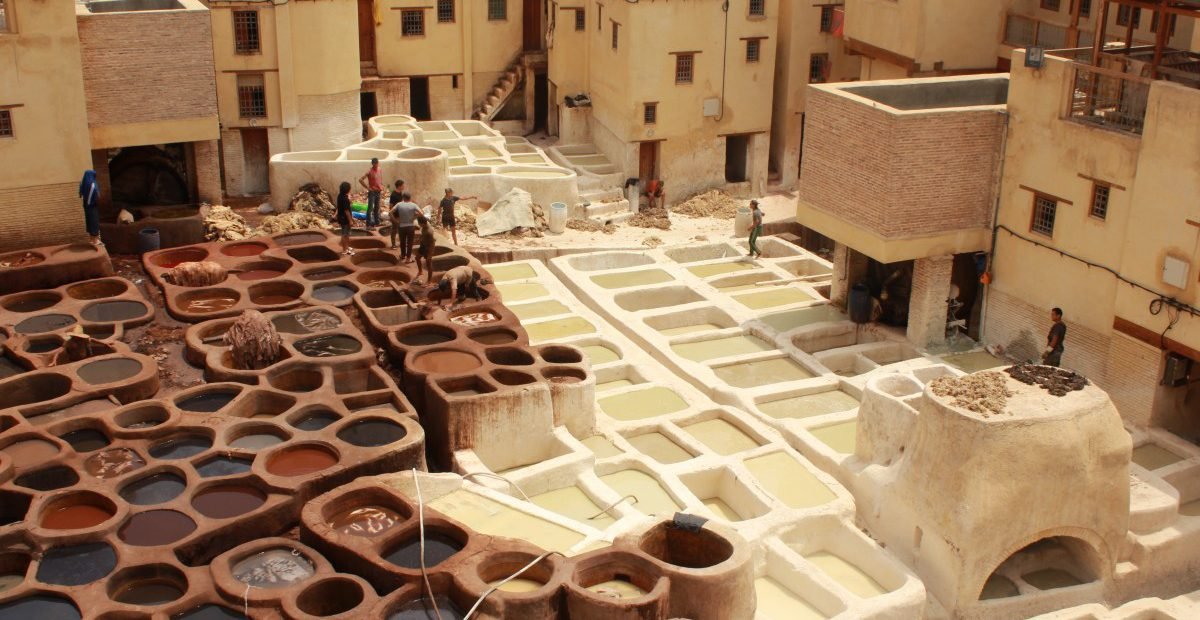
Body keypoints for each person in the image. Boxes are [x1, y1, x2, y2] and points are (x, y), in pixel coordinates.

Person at [390, 192, 420, 262]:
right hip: (410, 226)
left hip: (402, 226)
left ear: (403, 198)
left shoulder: (399, 204)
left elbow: (390, 212)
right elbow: (421, 213)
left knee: (402, 241)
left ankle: (403, 255)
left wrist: (395, 221)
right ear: (410, 198)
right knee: (410, 243)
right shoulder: (413, 205)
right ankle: (408, 258)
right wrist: (414, 218)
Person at [357, 157, 384, 229]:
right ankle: (368, 224)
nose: (376, 165)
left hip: (378, 191)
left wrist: (381, 185)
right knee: (370, 208)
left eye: (377, 163)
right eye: (375, 164)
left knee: (377, 207)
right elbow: (360, 180)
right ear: (372, 164)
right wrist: (368, 188)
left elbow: (380, 178)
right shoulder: (369, 171)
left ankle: (377, 222)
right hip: (372, 192)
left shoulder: (379, 169)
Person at [79, 170, 102, 246]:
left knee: (89, 221)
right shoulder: (92, 184)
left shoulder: (83, 182)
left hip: (86, 204)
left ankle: (92, 239)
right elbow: (94, 193)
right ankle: (95, 241)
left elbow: (80, 193)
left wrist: (86, 203)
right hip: (92, 205)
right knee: (94, 221)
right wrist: (91, 203)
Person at [414, 213, 436, 284]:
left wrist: (430, 254)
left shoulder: (429, 231)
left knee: (428, 264)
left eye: (419, 223)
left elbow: (433, 243)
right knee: (417, 258)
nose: (419, 225)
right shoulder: (424, 226)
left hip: (428, 248)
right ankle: (420, 271)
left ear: (423, 223)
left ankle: (429, 281)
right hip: (423, 245)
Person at [336, 181, 355, 256]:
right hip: (344, 219)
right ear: (348, 190)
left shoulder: (340, 195)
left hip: (341, 217)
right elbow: (347, 211)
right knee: (345, 234)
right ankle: (344, 250)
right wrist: (350, 220)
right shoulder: (344, 199)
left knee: (346, 234)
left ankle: (347, 247)